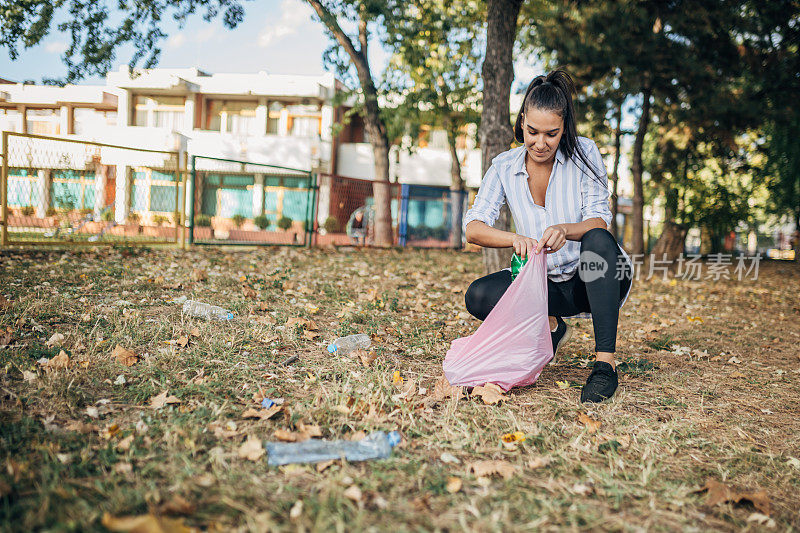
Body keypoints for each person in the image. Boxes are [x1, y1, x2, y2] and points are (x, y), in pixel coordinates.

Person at [462, 70, 633, 403]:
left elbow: (600, 220)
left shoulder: (584, 154)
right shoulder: (503, 165)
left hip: (596, 279)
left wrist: (566, 230)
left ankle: (605, 366)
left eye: (551, 134)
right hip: (547, 284)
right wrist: (513, 238)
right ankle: (553, 326)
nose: (540, 143)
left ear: (564, 128)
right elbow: (473, 227)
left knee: (597, 239)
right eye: (532, 132)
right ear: (522, 121)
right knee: (478, 295)